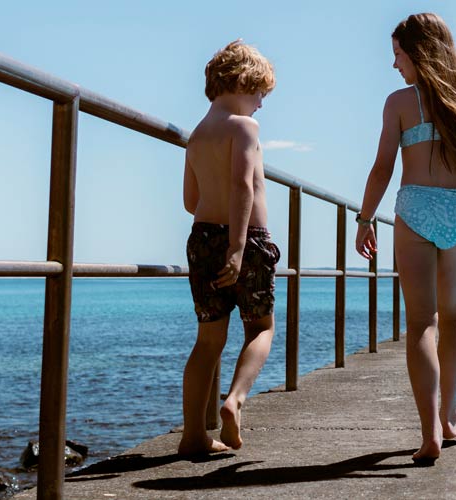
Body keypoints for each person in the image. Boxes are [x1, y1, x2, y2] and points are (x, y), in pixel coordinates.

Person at [355, 13, 456, 461]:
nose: (395, 66)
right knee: (452, 317)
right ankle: (449, 418)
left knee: (420, 323)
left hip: (414, 210)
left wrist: (364, 219)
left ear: (417, 53)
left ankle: (429, 433)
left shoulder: (400, 103)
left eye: (398, 55)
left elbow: (383, 166)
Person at [178, 40, 280, 456]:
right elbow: (242, 185)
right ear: (243, 82)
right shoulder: (245, 129)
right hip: (247, 241)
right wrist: (238, 247)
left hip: (202, 239)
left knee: (207, 341)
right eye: (260, 94)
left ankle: (192, 437)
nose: (260, 105)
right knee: (261, 327)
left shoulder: (197, 135)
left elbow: (190, 200)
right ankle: (234, 400)